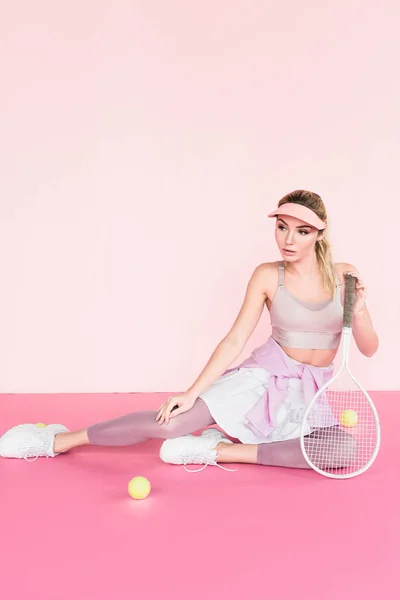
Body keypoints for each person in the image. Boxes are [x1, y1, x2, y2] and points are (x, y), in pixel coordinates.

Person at [0, 190, 379, 471]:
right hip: (263, 378)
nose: (288, 240)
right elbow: (235, 339)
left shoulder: (345, 276)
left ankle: (216, 451)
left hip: (308, 392)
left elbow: (369, 348)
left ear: (319, 235)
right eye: (282, 228)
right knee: (172, 424)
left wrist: (359, 312)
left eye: (301, 231)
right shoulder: (268, 275)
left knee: (341, 452)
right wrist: (192, 392)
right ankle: (57, 439)